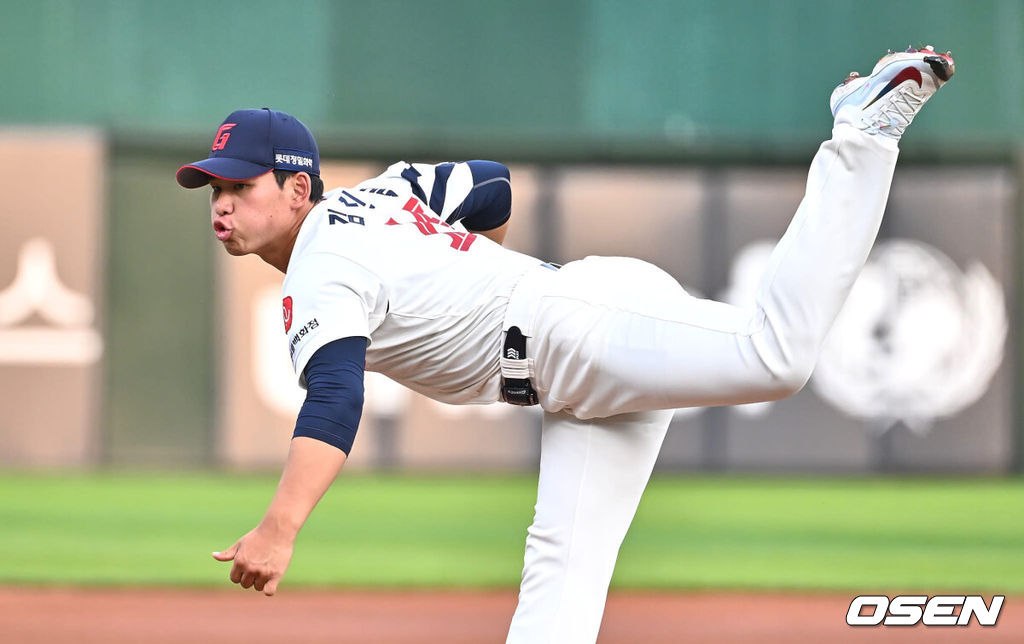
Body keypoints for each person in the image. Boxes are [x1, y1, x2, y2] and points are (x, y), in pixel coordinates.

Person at [176, 46, 954, 644]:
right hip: (567, 366)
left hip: (574, 328)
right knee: (562, 581)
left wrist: (278, 529)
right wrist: (467, 270)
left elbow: (338, 396)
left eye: (241, 187)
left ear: (298, 189)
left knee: (777, 356)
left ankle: (861, 134)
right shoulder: (380, 194)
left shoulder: (320, 264)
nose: (222, 205)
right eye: (216, 188)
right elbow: (490, 186)